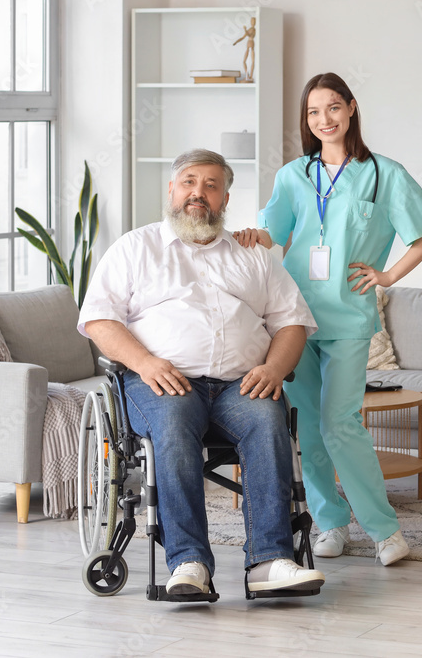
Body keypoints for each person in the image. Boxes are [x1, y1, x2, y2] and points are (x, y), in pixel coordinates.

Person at [78, 148, 325, 597]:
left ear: (225, 198)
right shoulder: (136, 248)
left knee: (268, 420)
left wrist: (273, 367)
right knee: (172, 424)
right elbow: (98, 320)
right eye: (189, 182)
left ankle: (269, 561)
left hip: (241, 383)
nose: (199, 193)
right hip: (161, 382)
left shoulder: (253, 256)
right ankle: (189, 562)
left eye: (211, 185)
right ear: (171, 190)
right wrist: (145, 362)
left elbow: (292, 322)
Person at [234, 72, 422, 566]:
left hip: (348, 315)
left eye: (332, 108)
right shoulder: (293, 175)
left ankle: (385, 530)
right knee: (307, 425)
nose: (323, 119)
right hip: (294, 318)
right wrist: (251, 236)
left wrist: (388, 275)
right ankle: (331, 524)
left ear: (350, 109)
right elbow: (275, 235)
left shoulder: (384, 173)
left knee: (340, 422)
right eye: (312, 112)